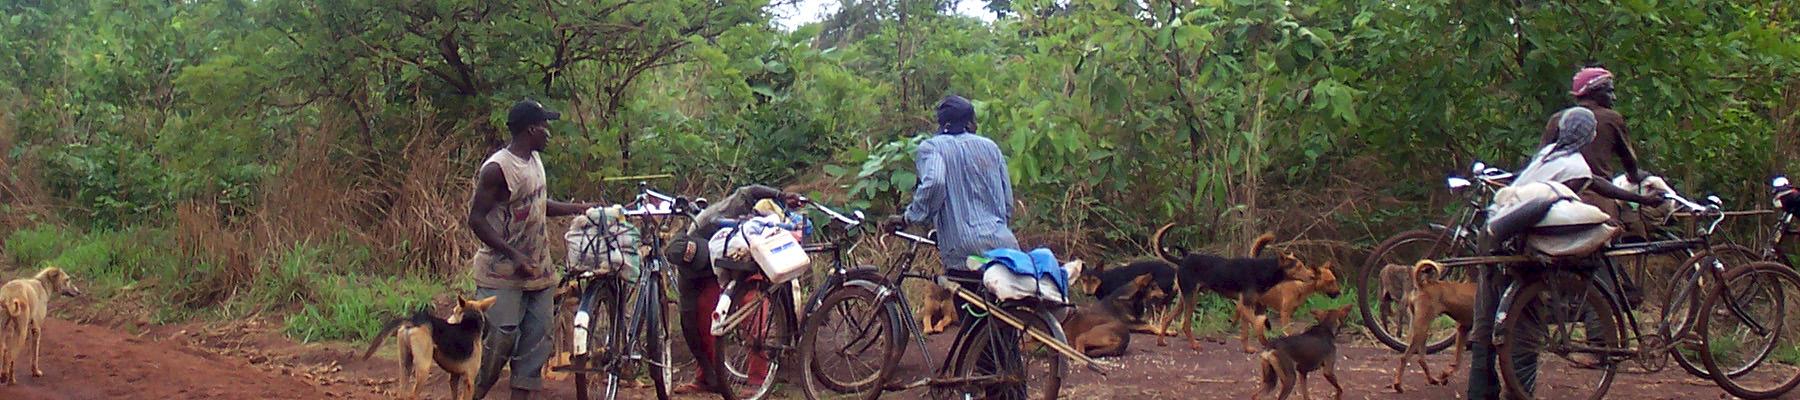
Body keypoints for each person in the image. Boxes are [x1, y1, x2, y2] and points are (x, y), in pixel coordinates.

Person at [1465, 106, 1664, 400]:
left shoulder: (1546, 155)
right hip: (1520, 243)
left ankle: (1480, 392)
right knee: (1527, 325)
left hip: (1494, 235)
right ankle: (1519, 393)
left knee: (1486, 318)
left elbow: (1596, 184)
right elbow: (1595, 187)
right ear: (1589, 135)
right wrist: (1640, 200)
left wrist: (1636, 198)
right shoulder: (1576, 165)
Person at [888, 94, 1026, 399]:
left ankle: (985, 390)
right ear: (972, 122)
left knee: (978, 332)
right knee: (1004, 334)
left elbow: (935, 183)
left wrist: (912, 216)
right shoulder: (989, 147)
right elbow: (1006, 202)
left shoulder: (933, 147)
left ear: (942, 124)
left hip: (966, 253)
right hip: (1005, 246)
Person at [469, 99, 597, 400]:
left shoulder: (534, 161)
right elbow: (475, 220)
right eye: (545, 126)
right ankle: (472, 394)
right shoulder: (498, 169)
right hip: (501, 274)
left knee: (536, 345)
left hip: (539, 273)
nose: (549, 133)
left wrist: (578, 207)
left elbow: (537, 204)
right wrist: (514, 255)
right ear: (531, 130)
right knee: (497, 344)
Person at [664, 185, 796, 397]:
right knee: (701, 316)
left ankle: (758, 378)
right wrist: (707, 370)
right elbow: (687, 323)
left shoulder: (717, 216)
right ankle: (706, 377)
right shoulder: (685, 265)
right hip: (710, 277)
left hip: (740, 257)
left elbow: (749, 191)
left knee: (754, 307)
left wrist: (781, 195)